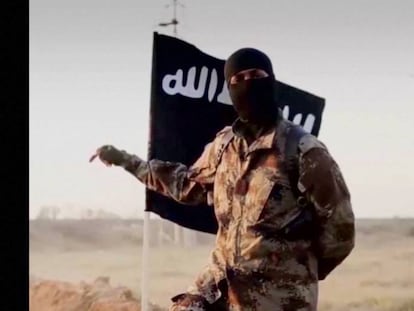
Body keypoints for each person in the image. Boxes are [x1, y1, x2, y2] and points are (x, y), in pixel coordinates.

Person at [90, 48, 355, 311]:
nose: (247, 84)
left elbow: (340, 233)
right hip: (221, 283)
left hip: (277, 298)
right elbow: (185, 185)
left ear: (271, 81)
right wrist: (125, 160)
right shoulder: (225, 145)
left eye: (255, 75)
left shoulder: (305, 152)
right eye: (237, 80)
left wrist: (297, 272)